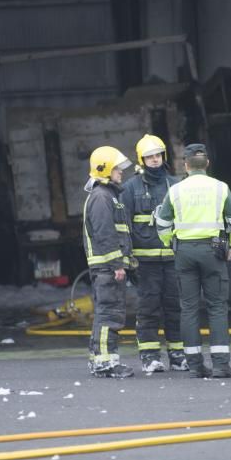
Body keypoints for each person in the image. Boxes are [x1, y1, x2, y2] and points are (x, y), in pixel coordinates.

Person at [155, 144, 231, 379]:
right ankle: (221, 365)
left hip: (184, 252)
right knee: (216, 307)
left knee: (189, 308)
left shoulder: (175, 191)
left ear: (185, 165)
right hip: (214, 251)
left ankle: (194, 364)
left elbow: (162, 224)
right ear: (207, 164)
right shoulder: (220, 188)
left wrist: (169, 243)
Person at [119, 134, 186, 373]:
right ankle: (150, 357)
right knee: (148, 309)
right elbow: (123, 227)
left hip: (172, 260)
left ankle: (178, 356)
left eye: (158, 155)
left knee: (174, 308)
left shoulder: (176, 185)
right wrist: (128, 261)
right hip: (145, 263)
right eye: (149, 156)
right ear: (141, 160)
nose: (155, 160)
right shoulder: (129, 189)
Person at [82, 146, 136, 379]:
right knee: (110, 315)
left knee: (106, 313)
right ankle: (105, 362)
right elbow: (105, 234)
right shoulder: (102, 197)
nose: (120, 172)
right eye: (116, 168)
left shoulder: (105, 195)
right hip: (107, 267)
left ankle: (99, 359)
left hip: (106, 266)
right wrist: (117, 264)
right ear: (104, 170)